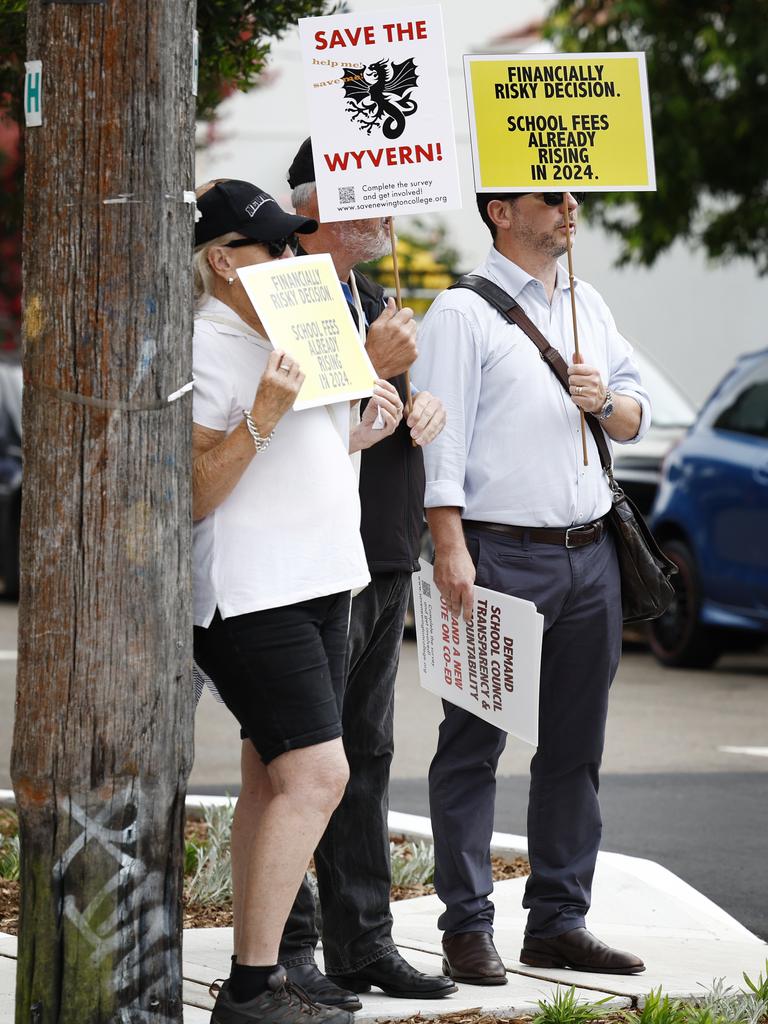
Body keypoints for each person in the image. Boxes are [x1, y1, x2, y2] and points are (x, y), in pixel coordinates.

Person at [413, 191, 651, 983]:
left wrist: (606, 402)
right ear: (501, 213)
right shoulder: (462, 311)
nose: (570, 208)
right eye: (551, 199)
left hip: (590, 559)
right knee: (474, 746)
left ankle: (557, 921)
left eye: (573, 196)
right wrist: (449, 546)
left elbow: (633, 412)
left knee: (575, 751)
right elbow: (440, 442)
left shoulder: (590, 301)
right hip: (498, 554)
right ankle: (467, 925)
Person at [244, 138, 453, 1008]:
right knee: (296, 764)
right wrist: (377, 365)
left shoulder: (373, 296)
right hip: (309, 567)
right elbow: (298, 418)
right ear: (323, 198)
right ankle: (285, 954)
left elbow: (374, 410)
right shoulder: (285, 295)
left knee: (364, 754)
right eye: (376, 192)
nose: (391, 210)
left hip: (382, 555)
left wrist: (420, 401)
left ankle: (360, 942)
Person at [191, 178, 403, 1024]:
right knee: (320, 775)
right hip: (253, 594)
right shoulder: (202, 346)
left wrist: (367, 409)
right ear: (221, 261)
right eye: (270, 246)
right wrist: (265, 413)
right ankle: (250, 990)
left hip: (323, 580)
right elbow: (197, 490)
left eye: (290, 243)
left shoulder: (302, 328)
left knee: (270, 784)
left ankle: (269, 969)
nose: (289, 258)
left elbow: (311, 456)